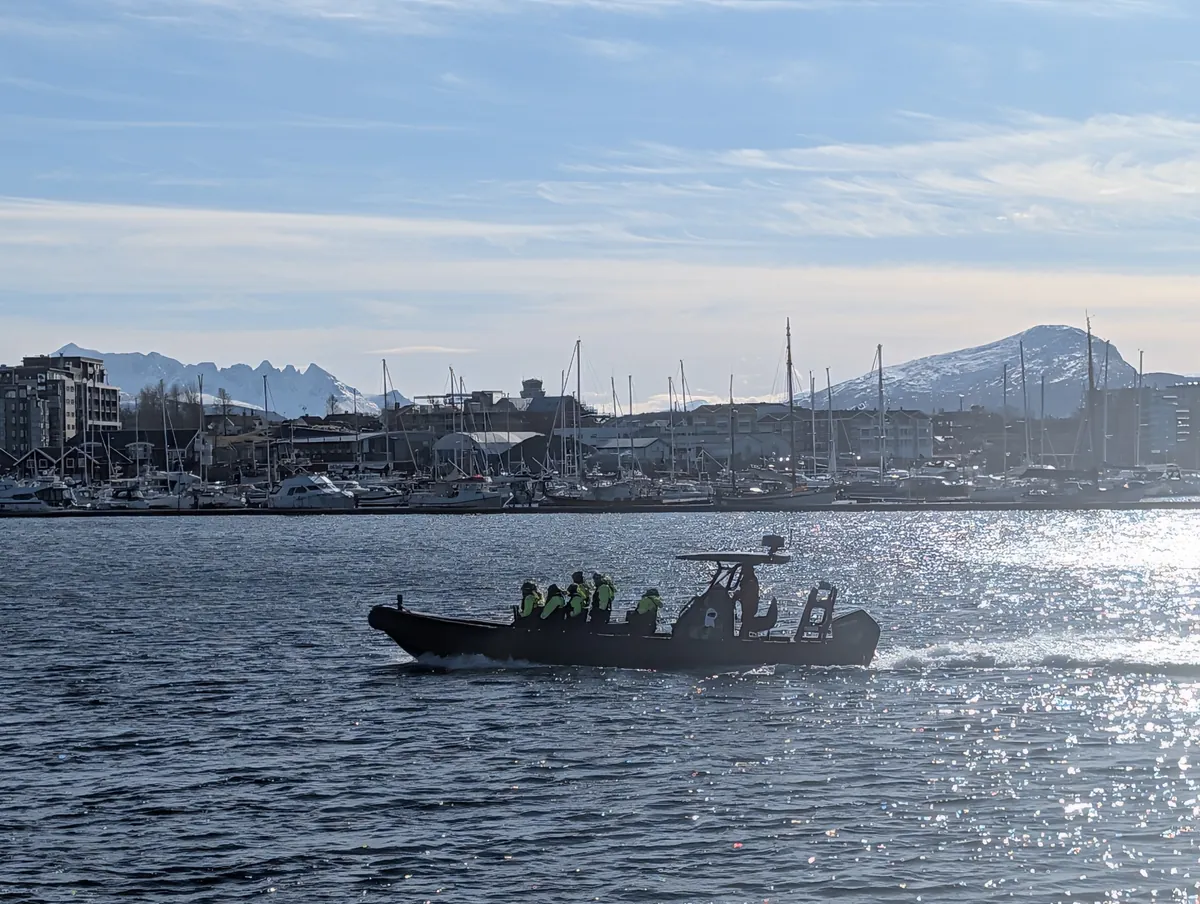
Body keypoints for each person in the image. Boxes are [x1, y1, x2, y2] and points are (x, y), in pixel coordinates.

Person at [735, 565, 760, 638]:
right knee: (745, 623)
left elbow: (748, 593)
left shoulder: (750, 581)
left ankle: (743, 640)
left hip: (750, 606)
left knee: (746, 623)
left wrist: (739, 595)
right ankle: (743, 637)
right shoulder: (748, 579)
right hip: (747, 606)